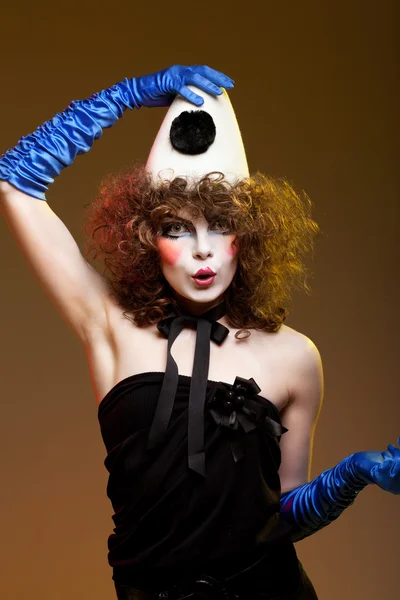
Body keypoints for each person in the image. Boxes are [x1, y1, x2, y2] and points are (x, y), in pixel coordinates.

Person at [0, 64, 399, 600]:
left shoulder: (295, 356)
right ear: (145, 236)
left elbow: (284, 516)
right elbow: (17, 176)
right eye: (175, 228)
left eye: (221, 225)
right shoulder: (110, 325)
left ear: (250, 235)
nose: (202, 250)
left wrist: (353, 474)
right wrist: (128, 94)